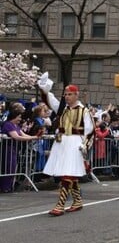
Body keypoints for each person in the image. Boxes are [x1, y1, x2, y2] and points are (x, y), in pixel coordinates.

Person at [37, 74, 95, 216]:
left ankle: (60, 204)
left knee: (68, 174)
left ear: (76, 95)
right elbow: (49, 100)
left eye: (70, 94)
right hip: (62, 142)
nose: (67, 97)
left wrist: (85, 145)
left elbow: (91, 130)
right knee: (69, 173)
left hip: (75, 143)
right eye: (66, 94)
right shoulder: (63, 108)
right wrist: (44, 88)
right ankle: (77, 201)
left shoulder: (84, 111)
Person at [0, 107, 38, 193]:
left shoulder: (16, 126)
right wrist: (34, 137)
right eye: (19, 117)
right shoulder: (8, 124)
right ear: (14, 116)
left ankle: (9, 186)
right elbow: (16, 137)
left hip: (14, 149)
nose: (20, 119)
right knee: (8, 168)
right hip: (7, 149)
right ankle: (4, 187)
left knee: (13, 168)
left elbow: (23, 134)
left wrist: (35, 137)